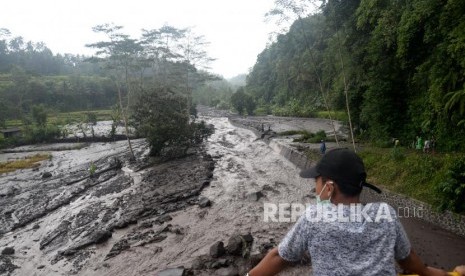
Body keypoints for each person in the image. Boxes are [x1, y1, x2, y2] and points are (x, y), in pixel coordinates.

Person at [247, 148, 460, 276]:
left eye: (316, 181)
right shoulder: (384, 213)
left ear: (329, 188)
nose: (314, 188)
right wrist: (434, 272)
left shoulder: (314, 217)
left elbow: (279, 256)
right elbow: (407, 258)